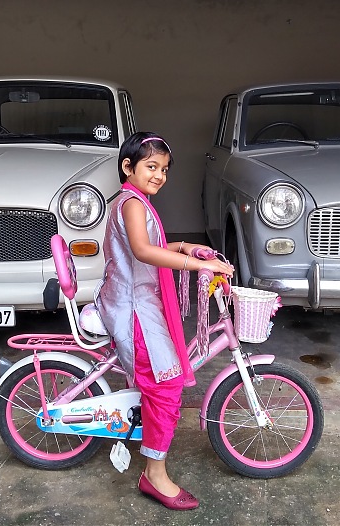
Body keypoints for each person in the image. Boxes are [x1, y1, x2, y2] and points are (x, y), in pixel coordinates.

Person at [95, 131, 233, 511]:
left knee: (163, 382)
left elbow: (152, 248)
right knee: (165, 386)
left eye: (164, 169)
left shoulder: (134, 201)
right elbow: (142, 251)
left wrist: (186, 246)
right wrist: (199, 264)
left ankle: (152, 461)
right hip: (133, 306)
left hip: (140, 301)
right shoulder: (132, 204)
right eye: (151, 166)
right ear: (128, 167)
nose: (159, 175)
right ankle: (154, 474)